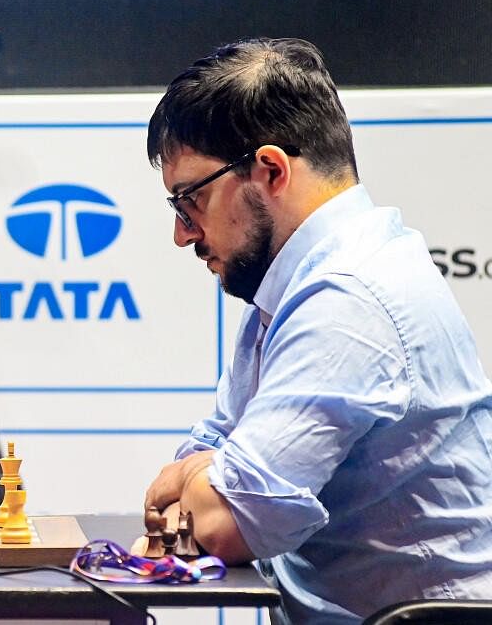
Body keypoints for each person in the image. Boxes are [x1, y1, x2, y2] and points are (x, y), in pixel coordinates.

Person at [141, 38, 492, 623]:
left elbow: (227, 522)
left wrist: (206, 478)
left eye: (190, 201)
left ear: (271, 170)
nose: (182, 234)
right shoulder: (296, 286)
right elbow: (207, 453)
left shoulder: (348, 297)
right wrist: (206, 472)